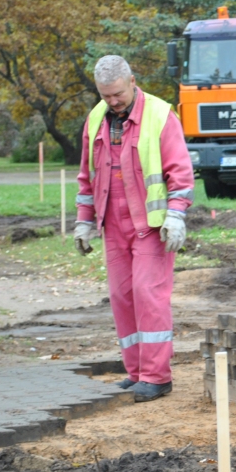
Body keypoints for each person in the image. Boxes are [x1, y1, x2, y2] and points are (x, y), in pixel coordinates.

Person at [74, 56, 195, 402]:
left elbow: (180, 173)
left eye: (117, 94)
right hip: (112, 224)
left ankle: (157, 376)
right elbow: (88, 175)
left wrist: (176, 215)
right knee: (122, 297)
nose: (112, 102)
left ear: (132, 81)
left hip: (150, 227)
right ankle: (136, 372)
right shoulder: (96, 118)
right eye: (105, 95)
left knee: (148, 294)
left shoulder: (160, 115)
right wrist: (84, 220)